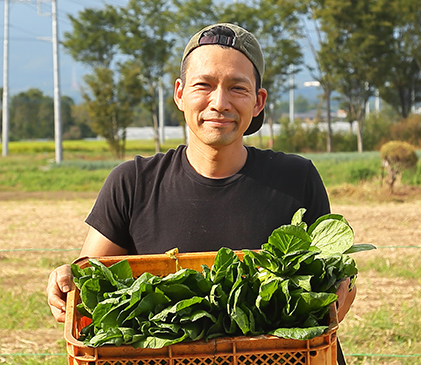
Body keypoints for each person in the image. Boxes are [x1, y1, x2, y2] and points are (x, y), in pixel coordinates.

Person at [47, 23, 356, 324]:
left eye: (237, 88)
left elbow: (332, 278)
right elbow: (88, 284)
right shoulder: (133, 182)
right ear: (180, 94)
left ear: (258, 101)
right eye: (203, 85)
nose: (219, 103)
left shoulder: (296, 179)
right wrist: (65, 279)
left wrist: (342, 288)